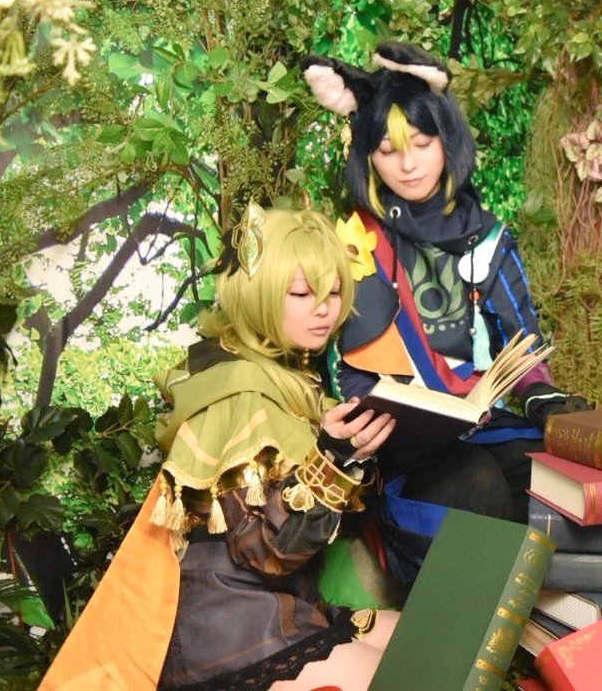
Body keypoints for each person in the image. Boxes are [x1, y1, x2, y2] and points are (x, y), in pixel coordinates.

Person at [41, 206, 399, 691]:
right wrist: (330, 459)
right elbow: (264, 552)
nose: (323, 308)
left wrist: (351, 452)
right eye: (301, 293)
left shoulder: (289, 380)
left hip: (277, 604)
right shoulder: (238, 392)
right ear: (259, 293)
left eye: (333, 292)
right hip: (225, 626)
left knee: (416, 639)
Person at [301, 43, 591, 582]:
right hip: (400, 447)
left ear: (448, 139)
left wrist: (540, 395)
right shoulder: (352, 242)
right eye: (388, 150)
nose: (408, 164)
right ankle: (467, 623)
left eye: (423, 143)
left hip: (486, 424)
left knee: (555, 475)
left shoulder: (489, 236)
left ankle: (567, 621)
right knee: (475, 481)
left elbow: (522, 341)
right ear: (366, 155)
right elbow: (340, 364)